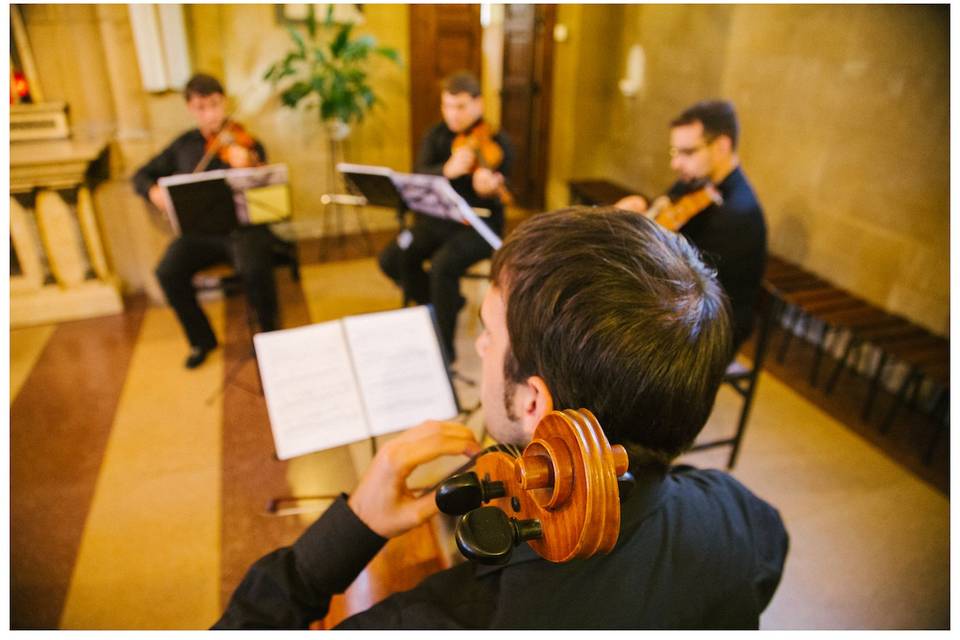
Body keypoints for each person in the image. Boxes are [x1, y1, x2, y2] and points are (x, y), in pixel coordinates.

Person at [215, 207, 788, 629]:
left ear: (535, 404)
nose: (482, 348)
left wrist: (347, 534)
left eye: (488, 332)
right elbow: (765, 549)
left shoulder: (437, 620)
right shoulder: (740, 519)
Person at [133, 73, 279, 369]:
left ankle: (270, 337)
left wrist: (249, 164)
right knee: (167, 272)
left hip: (242, 229)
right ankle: (202, 340)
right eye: (201, 107)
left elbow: (268, 183)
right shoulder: (183, 145)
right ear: (190, 108)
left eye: (214, 104)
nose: (210, 113)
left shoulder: (247, 142)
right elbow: (140, 175)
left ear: (224, 102)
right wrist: (153, 191)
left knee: (256, 267)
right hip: (199, 233)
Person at [378, 71, 514, 363]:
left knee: (442, 266)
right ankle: (444, 303)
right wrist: (446, 171)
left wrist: (490, 188)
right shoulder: (435, 135)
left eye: (461, 106)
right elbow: (418, 174)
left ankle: (443, 350)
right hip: (437, 221)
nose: (452, 114)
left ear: (479, 104)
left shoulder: (499, 141)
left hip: (479, 225)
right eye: (447, 106)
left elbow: (508, 186)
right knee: (392, 258)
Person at [616, 99, 767, 352]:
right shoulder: (694, 181)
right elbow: (667, 215)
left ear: (721, 146)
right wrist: (634, 217)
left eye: (687, 152)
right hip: (682, 299)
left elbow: (690, 280)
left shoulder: (738, 213)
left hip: (712, 324)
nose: (676, 164)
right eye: (675, 152)